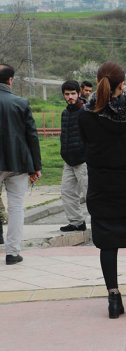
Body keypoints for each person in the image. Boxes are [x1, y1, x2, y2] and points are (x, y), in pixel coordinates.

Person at [78, 62, 126, 319]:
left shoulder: (85, 116)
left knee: (108, 244)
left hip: (102, 188)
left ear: (98, 82)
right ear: (122, 84)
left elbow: (83, 144)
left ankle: (114, 299)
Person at [0, 63, 42, 265]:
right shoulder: (21, 103)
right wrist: (36, 167)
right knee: (16, 207)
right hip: (19, 162)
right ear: (10, 80)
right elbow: (31, 136)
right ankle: (12, 253)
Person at [59, 80, 88, 232]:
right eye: (67, 94)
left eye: (72, 93)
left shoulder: (86, 111)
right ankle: (77, 222)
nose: (70, 97)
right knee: (67, 192)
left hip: (84, 161)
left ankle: (100, 223)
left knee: (90, 193)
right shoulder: (65, 113)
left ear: (78, 94)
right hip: (68, 161)